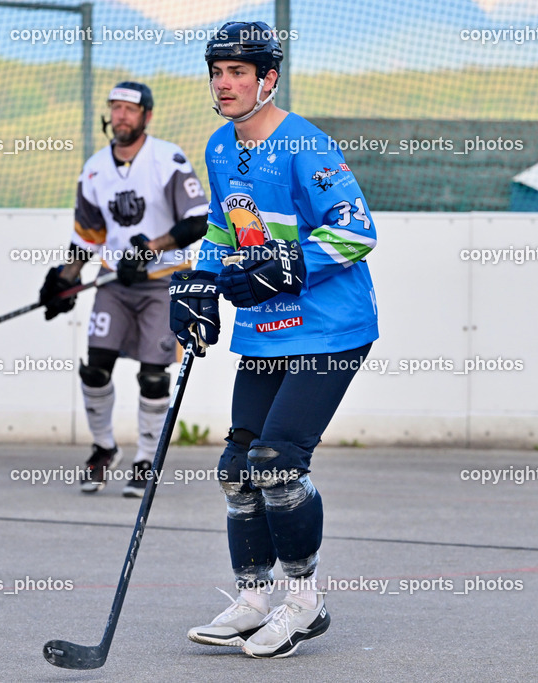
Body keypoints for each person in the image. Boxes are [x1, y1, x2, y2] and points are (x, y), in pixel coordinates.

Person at [170, 22, 379, 658]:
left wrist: (292, 263)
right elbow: (221, 228)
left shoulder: (305, 146)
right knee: (237, 470)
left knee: (278, 462)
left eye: (238, 72)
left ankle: (304, 602)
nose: (224, 83)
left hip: (329, 328)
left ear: (269, 78)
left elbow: (358, 232)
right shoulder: (217, 146)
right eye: (217, 71)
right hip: (264, 330)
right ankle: (255, 597)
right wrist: (201, 282)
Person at [40, 81, 209, 497]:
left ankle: (146, 460)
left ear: (146, 116)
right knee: (95, 367)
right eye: (115, 108)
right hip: (114, 283)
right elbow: (88, 236)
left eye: (129, 109)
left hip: (163, 283)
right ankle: (103, 448)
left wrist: (149, 251)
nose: (120, 116)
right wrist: (65, 278)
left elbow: (197, 220)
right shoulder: (95, 168)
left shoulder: (167, 159)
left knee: (154, 376)